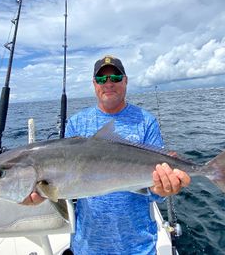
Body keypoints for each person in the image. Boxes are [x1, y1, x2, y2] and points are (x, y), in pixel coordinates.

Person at [24, 55, 191, 255]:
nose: (108, 83)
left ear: (126, 80)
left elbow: (156, 192)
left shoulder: (146, 122)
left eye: (115, 78)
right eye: (102, 79)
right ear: (94, 84)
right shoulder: (77, 123)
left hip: (138, 247)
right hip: (88, 245)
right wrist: (44, 193)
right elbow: (65, 183)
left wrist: (163, 190)